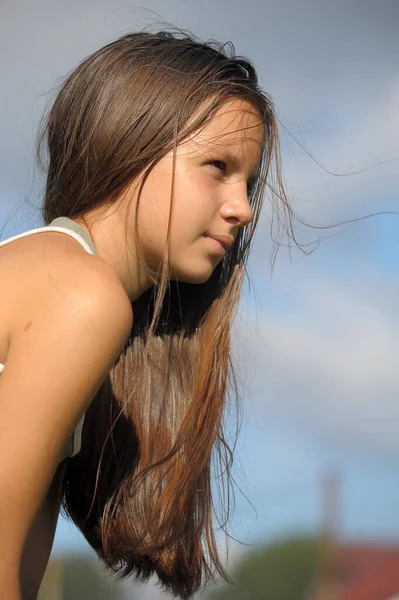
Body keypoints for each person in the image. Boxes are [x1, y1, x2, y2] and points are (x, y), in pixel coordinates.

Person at [0, 29, 293, 599]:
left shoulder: (49, 270)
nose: (244, 208)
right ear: (130, 147)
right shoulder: (79, 295)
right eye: (217, 166)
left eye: (249, 181)